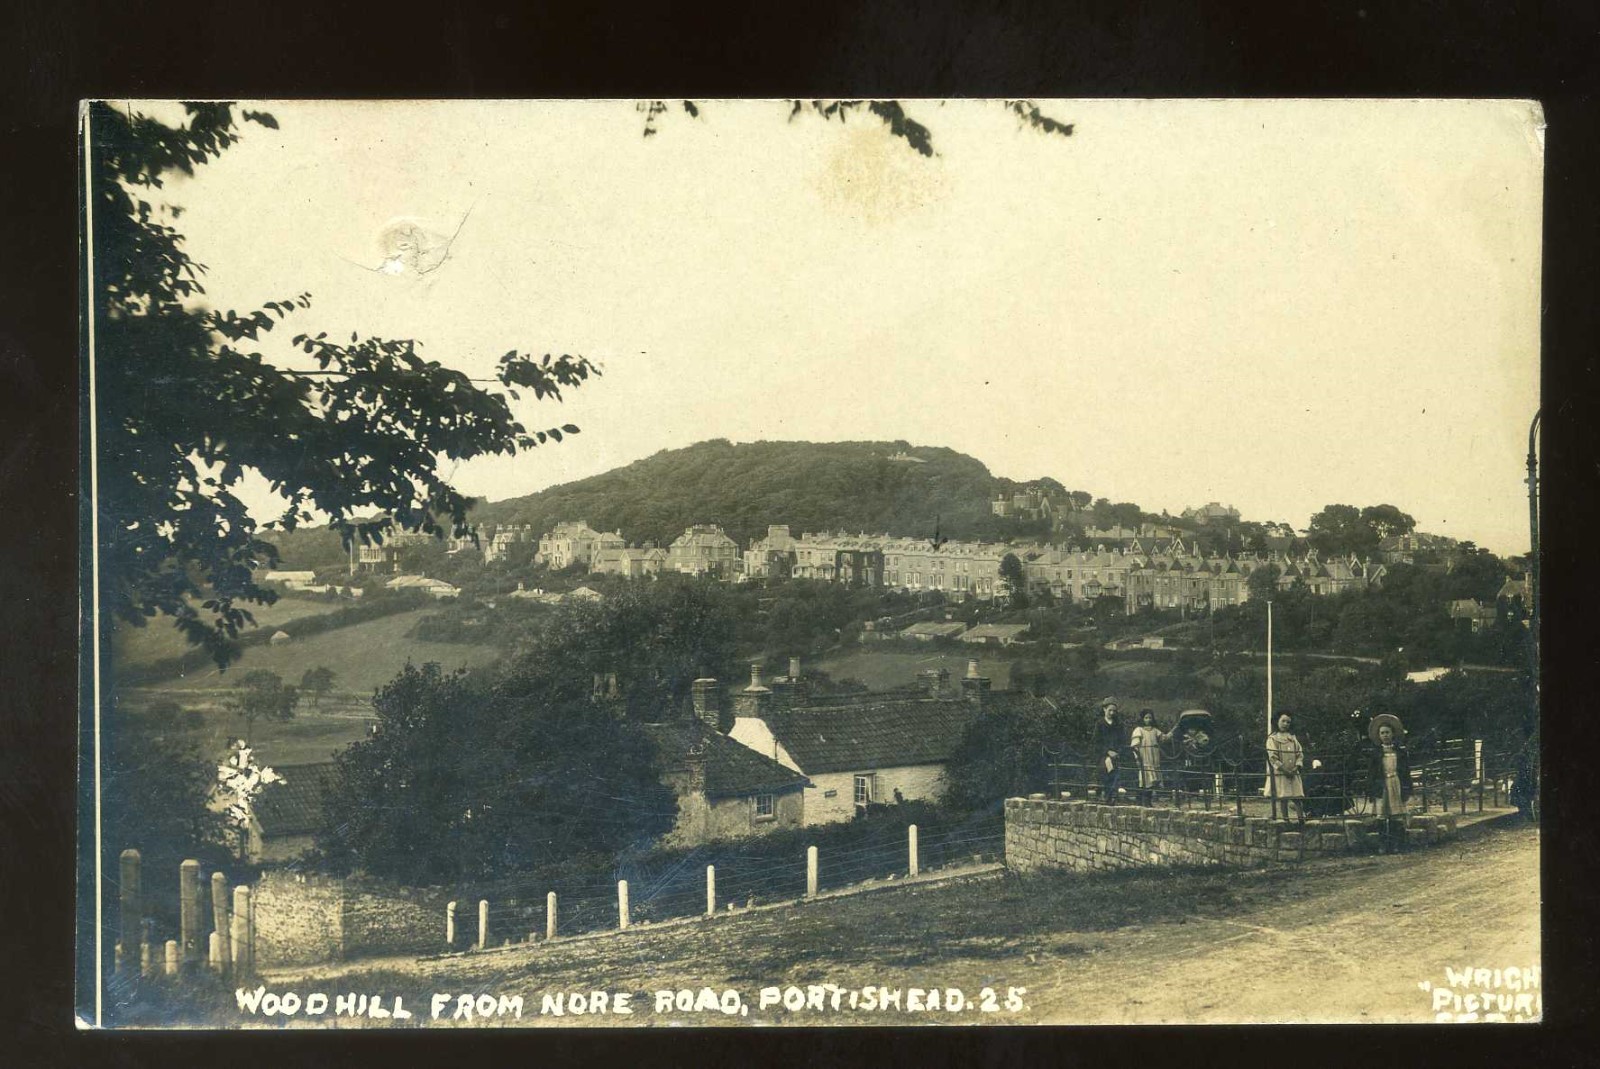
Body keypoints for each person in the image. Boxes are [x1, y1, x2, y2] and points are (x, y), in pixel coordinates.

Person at [1366, 713, 1412, 851]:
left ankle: (1396, 844)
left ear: (1392, 734)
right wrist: (1371, 789)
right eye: (1382, 733)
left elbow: (1405, 772)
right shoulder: (1375, 753)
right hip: (1382, 785)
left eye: (1387, 732)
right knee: (1382, 815)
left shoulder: (1400, 752)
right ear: (1379, 736)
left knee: (1396, 816)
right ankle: (1383, 845)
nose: (1385, 735)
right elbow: (1371, 773)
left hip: (1396, 784)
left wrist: (1407, 788)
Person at [1266, 712, 1306, 822]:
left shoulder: (1293, 738)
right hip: (1281, 772)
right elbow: (1273, 757)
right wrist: (1284, 769)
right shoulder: (1273, 739)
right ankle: (1285, 820)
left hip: (1293, 772)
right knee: (1283, 797)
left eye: (1288, 722)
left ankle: (1301, 820)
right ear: (1277, 721)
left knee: (1297, 797)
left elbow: (1300, 754)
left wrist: (1296, 767)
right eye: (1283, 721)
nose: (1285, 724)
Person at [1130, 708, 1169, 806]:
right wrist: (1137, 758)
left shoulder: (1155, 730)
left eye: (1150, 718)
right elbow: (1135, 746)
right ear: (1142, 719)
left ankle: (1149, 801)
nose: (1148, 720)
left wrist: (1175, 730)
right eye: (1146, 718)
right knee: (1144, 780)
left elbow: (1164, 738)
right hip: (1144, 758)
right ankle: (1142, 801)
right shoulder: (1139, 730)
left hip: (1154, 758)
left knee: (1153, 781)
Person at [1092, 698, 1126, 805]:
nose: (1112, 713)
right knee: (1105, 770)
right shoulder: (1100, 723)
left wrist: (1118, 752)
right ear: (1104, 709)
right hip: (1103, 754)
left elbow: (1122, 741)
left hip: (1116, 755)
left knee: (1115, 774)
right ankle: (1105, 795)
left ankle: (1112, 797)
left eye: (1114, 711)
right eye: (1109, 710)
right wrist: (1107, 752)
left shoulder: (1118, 724)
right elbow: (1096, 742)